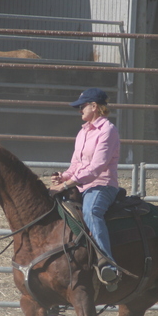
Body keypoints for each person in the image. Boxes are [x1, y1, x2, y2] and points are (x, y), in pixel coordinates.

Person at [50, 87, 121, 284]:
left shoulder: (108, 130)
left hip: (102, 185)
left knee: (91, 211)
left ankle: (108, 264)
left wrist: (66, 185)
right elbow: (76, 164)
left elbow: (97, 167)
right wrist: (63, 177)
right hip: (81, 185)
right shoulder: (83, 132)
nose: (80, 110)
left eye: (82, 106)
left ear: (94, 106)